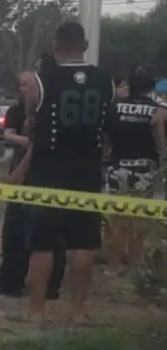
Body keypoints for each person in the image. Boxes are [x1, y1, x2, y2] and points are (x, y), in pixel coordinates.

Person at [24, 21, 115, 325]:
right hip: (87, 172)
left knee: (42, 244)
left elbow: (30, 119)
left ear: (56, 44)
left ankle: (37, 311)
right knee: (84, 243)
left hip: (48, 171)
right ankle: (77, 311)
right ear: (85, 45)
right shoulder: (106, 82)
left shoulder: (42, 80)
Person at [0, 71, 65, 298]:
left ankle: (49, 287)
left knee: (49, 235)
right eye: (21, 85)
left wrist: (19, 170)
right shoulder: (18, 111)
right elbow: (14, 137)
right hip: (24, 177)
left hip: (42, 179)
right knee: (15, 233)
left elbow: (37, 147)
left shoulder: (48, 113)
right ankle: (10, 282)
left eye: (29, 85)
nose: (25, 90)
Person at [102, 64, 166, 271]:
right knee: (140, 219)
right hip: (145, 170)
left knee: (116, 219)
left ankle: (113, 265)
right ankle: (134, 264)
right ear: (151, 87)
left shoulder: (114, 108)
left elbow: (105, 140)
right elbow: (161, 145)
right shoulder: (159, 111)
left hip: (116, 168)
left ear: (130, 85)